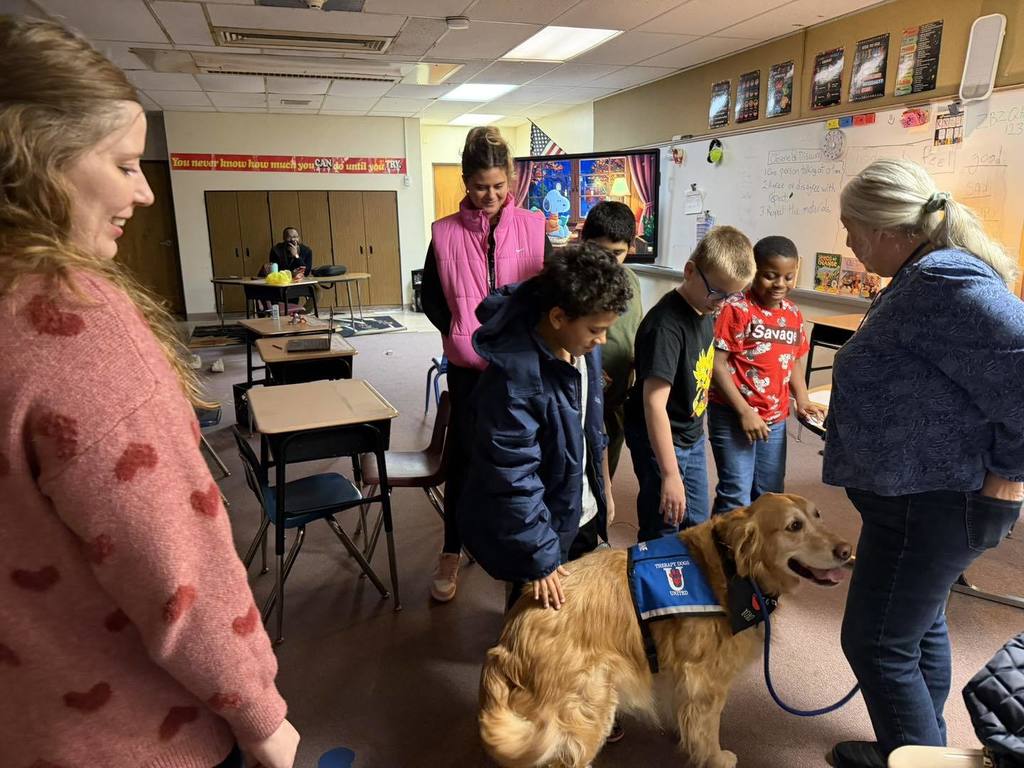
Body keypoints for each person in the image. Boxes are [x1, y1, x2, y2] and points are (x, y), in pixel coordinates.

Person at [0, 16, 298, 768]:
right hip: (131, 735)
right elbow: (175, 566)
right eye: (126, 163)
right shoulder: (68, 321)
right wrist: (261, 715)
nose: (146, 192)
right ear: (36, 155)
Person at [824, 159, 1024, 768]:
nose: (848, 242)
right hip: (917, 500)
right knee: (919, 625)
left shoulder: (943, 280)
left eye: (851, 227)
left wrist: (1009, 474)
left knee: (879, 641)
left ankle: (916, 757)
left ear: (890, 230)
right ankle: (913, 749)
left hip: (936, 502)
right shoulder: (922, 277)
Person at [457, 243, 633, 611]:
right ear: (557, 317)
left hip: (577, 509)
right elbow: (512, 477)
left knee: (577, 619)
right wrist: (539, 556)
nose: (602, 341)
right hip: (537, 529)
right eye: (596, 330)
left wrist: (604, 492)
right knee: (535, 632)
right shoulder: (513, 382)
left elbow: (591, 429)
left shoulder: (580, 344)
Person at [419, 126, 549, 602]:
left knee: (521, 464)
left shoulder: (534, 228)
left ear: (511, 178)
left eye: (498, 185)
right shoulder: (444, 233)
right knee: (466, 460)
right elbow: (431, 296)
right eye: (480, 186)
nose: (490, 194)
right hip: (469, 369)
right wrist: (457, 328)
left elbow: (547, 296)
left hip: (520, 371)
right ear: (465, 182)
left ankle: (522, 561)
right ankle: (451, 551)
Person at [624, 226, 755, 542]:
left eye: (732, 295)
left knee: (694, 520)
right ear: (689, 271)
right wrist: (669, 474)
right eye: (718, 293)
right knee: (665, 522)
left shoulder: (705, 310)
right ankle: (655, 587)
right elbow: (654, 404)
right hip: (662, 438)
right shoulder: (665, 328)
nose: (723, 303)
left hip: (690, 432)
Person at [707, 236, 825, 514]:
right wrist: (745, 412)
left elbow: (793, 359)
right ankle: (723, 553)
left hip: (775, 418)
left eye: (788, 277)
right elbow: (716, 364)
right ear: (754, 271)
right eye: (770, 276)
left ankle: (759, 553)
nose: (780, 284)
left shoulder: (794, 314)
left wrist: (803, 398)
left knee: (771, 493)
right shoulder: (736, 309)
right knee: (736, 493)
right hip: (733, 414)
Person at [580, 201, 643, 478]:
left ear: (630, 247)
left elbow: (634, 330)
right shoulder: (572, 281)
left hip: (617, 393)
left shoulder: (632, 281)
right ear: (584, 242)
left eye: (616, 253)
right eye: (599, 251)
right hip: (580, 393)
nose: (607, 261)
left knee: (609, 456)